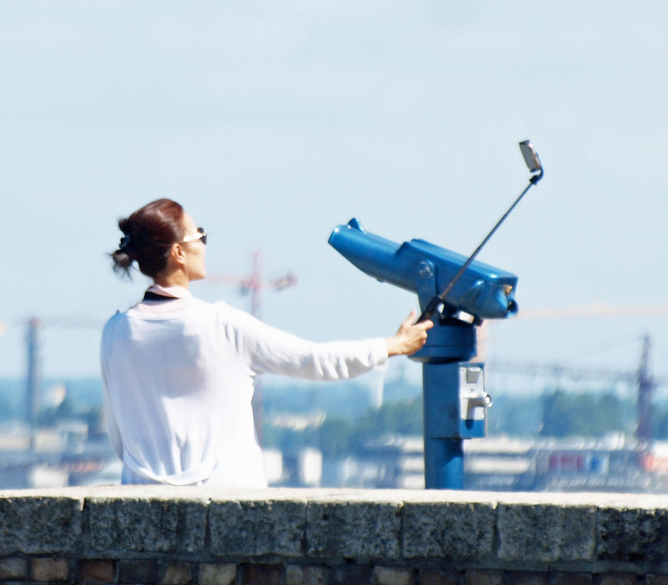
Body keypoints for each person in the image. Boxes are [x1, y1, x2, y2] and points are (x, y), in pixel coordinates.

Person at [100, 198, 431, 488]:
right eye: (199, 234)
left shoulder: (114, 332)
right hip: (225, 503)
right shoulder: (222, 325)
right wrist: (393, 345)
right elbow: (314, 361)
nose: (204, 243)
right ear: (178, 253)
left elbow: (119, 438)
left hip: (143, 504)